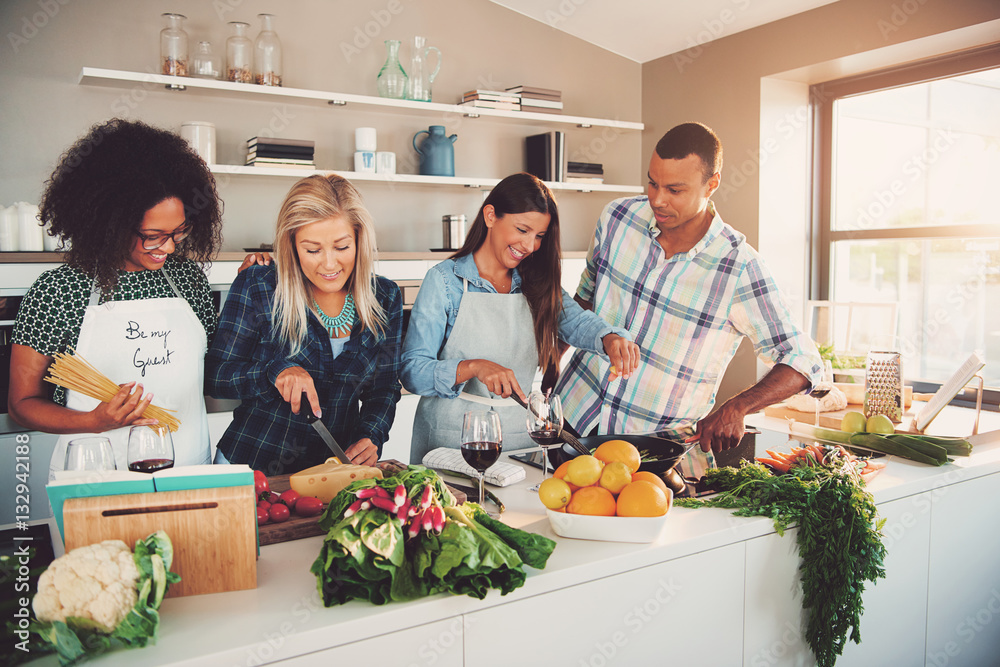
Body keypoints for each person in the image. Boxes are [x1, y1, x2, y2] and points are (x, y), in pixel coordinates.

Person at [555, 122, 824, 453]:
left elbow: (803, 360)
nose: (657, 199)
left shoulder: (739, 268)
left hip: (652, 450)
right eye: (653, 183)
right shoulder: (617, 218)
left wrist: (738, 406)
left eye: (675, 190)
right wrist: (549, 364)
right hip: (571, 416)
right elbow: (584, 299)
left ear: (712, 185)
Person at [8, 118, 224, 478]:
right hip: (96, 478)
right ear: (113, 223)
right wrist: (95, 420)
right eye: (153, 235)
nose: (168, 247)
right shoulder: (59, 291)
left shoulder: (187, 280)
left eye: (178, 232)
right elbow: (21, 403)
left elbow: (216, 369)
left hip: (189, 471)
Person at [401, 172, 640, 464]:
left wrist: (609, 338)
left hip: (518, 443)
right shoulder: (444, 282)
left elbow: (578, 322)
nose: (529, 246)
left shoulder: (536, 283)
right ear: (490, 216)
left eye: (539, 236)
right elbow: (413, 371)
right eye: (522, 230)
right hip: (451, 444)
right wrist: (474, 367)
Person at [206, 174, 402, 474]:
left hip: (333, 473)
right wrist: (275, 372)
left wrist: (371, 434)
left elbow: (384, 389)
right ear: (291, 245)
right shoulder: (259, 286)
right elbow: (216, 377)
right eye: (312, 250)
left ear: (360, 240)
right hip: (252, 469)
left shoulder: (385, 297)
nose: (329, 264)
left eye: (341, 247)